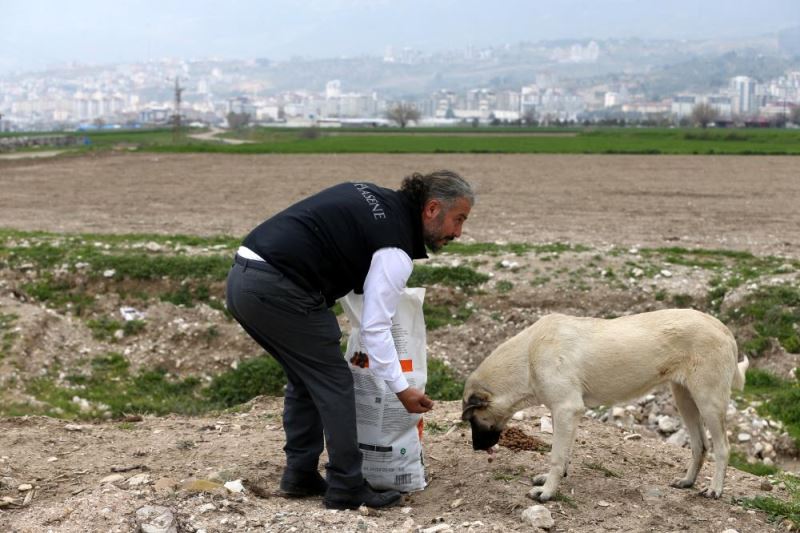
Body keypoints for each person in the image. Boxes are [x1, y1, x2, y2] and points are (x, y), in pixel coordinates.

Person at [225, 170, 474, 509]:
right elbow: (375, 328)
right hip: (278, 288)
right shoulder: (395, 247)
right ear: (432, 209)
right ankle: (346, 485)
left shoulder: (374, 197)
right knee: (335, 383)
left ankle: (299, 474)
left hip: (243, 279)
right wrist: (401, 388)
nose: (458, 232)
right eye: (458, 220)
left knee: (306, 378)